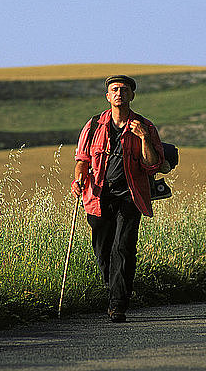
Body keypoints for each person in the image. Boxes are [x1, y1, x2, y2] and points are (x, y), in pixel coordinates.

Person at [72, 75, 164, 322]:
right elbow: (82, 160)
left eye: (124, 90)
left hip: (130, 195)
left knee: (123, 248)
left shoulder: (145, 126)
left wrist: (144, 137)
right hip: (98, 196)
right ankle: (114, 288)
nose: (119, 94)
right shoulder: (93, 125)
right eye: (114, 90)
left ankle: (118, 305)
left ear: (132, 96)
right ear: (107, 96)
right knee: (102, 251)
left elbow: (152, 164)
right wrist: (79, 179)